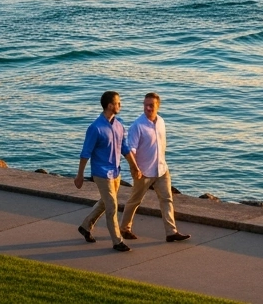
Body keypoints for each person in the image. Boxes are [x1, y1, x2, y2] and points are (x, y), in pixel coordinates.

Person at [120, 93, 190, 243]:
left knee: (167, 199)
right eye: (145, 104)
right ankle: (124, 228)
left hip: (161, 170)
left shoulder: (161, 122)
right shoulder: (137, 126)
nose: (148, 108)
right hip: (143, 171)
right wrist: (134, 168)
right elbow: (131, 149)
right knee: (135, 201)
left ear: (158, 106)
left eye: (151, 105)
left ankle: (171, 232)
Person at [74, 90, 130, 251]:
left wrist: (135, 166)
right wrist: (80, 176)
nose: (121, 105)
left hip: (116, 172)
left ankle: (85, 226)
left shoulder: (119, 125)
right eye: (118, 102)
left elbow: (125, 148)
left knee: (105, 203)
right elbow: (85, 153)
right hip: (101, 173)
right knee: (112, 205)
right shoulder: (95, 128)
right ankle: (117, 241)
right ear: (110, 105)